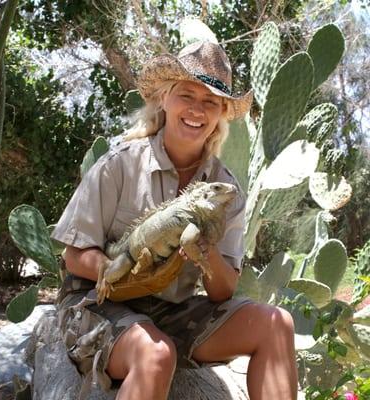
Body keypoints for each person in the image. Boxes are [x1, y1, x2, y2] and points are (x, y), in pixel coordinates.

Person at [52, 40, 298, 400]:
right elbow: (74, 257)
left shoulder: (225, 189)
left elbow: (223, 290)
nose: (197, 110)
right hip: (98, 302)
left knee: (278, 323)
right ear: (164, 99)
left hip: (172, 309)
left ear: (221, 114)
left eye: (211, 102)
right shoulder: (119, 165)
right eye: (187, 95)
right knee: (156, 354)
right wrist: (124, 271)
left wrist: (204, 250)